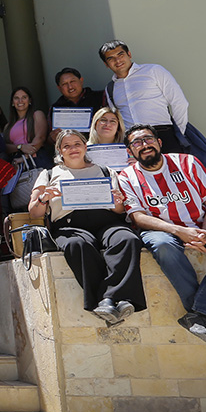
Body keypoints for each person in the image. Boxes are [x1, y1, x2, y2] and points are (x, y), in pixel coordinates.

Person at [117, 125, 206, 342]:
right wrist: (179, 231)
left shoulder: (188, 162)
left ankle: (199, 313)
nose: (144, 145)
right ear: (130, 152)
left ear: (159, 143)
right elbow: (138, 217)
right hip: (162, 231)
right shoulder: (126, 177)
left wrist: (203, 233)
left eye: (148, 139)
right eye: (136, 143)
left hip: (202, 225)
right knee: (162, 246)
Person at [28, 130, 144, 326]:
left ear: (85, 147)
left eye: (77, 144)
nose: (73, 149)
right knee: (77, 245)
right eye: (67, 146)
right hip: (69, 225)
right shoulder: (48, 174)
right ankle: (106, 301)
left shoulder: (105, 171)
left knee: (128, 239)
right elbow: (34, 212)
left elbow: (118, 209)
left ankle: (110, 299)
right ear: (59, 151)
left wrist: (118, 201)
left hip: (107, 222)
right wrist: (43, 198)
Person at [100, 40, 191, 154]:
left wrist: (178, 133)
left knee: (173, 171)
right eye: (110, 58)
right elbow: (117, 119)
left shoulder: (154, 71)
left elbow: (179, 103)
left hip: (163, 134)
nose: (117, 60)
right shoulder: (110, 88)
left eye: (120, 55)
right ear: (106, 64)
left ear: (129, 54)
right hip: (134, 142)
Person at [49, 68, 106, 138]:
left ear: (81, 81)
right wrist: (53, 138)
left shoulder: (100, 97)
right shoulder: (56, 107)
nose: (70, 87)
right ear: (59, 88)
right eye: (64, 84)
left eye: (72, 81)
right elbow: (48, 141)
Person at [5, 86, 50, 165]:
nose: (20, 101)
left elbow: (40, 137)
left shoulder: (37, 114)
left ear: (30, 100)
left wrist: (25, 157)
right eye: (16, 98)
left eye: (24, 97)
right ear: (12, 102)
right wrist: (20, 147)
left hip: (36, 158)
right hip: (16, 162)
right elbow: (5, 147)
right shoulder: (8, 126)